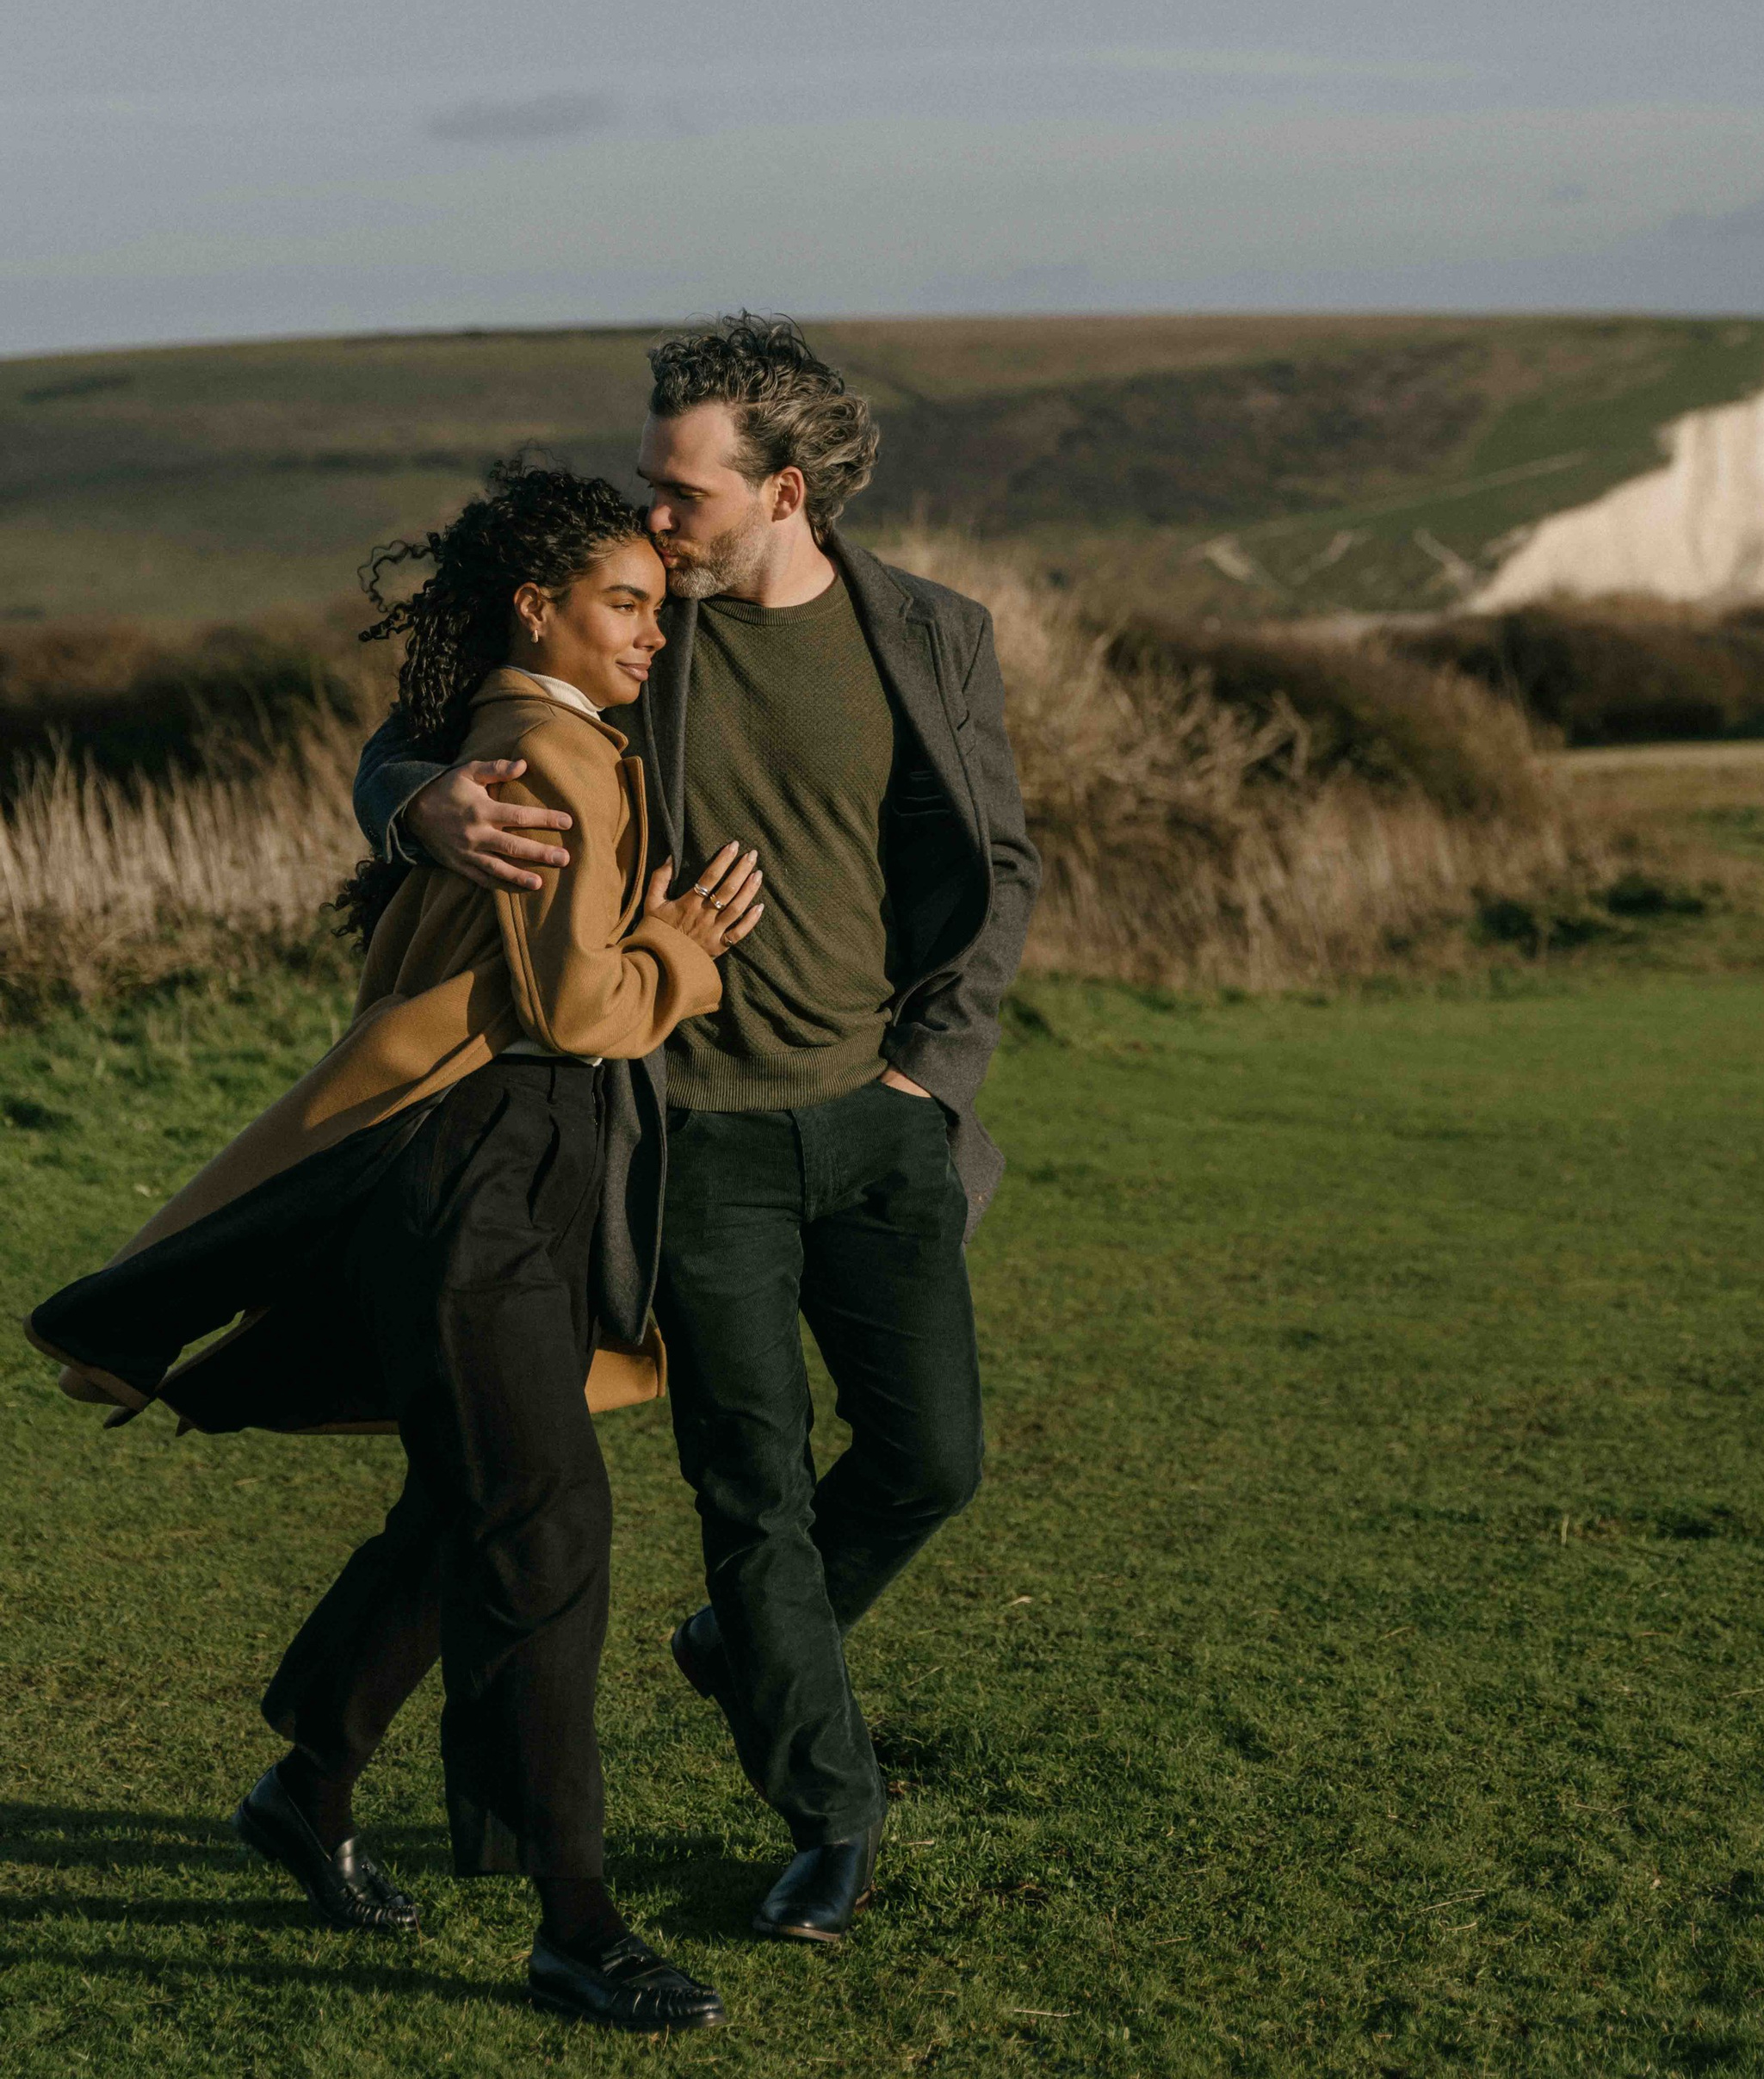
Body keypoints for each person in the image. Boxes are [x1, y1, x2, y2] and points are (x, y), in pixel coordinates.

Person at [26, 462, 763, 2034]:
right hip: (479, 1177)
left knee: (467, 1504)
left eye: (654, 603)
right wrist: (688, 957)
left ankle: (307, 1785)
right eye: (622, 605)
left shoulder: (522, 735)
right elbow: (576, 1010)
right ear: (536, 606)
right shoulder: (550, 745)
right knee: (544, 1529)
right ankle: (575, 1921)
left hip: (525, 1169)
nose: (651, 631)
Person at [355, 315, 1040, 1944]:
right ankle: (832, 1814)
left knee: (934, 1462)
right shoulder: (631, 622)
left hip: (882, 1125)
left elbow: (999, 867)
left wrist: (930, 1076)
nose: (649, 518)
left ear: (784, 490)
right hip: (690, 1138)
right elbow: (421, 729)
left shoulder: (929, 633)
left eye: (682, 491)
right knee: (757, 1496)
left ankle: (744, 1650)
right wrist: (416, 801)